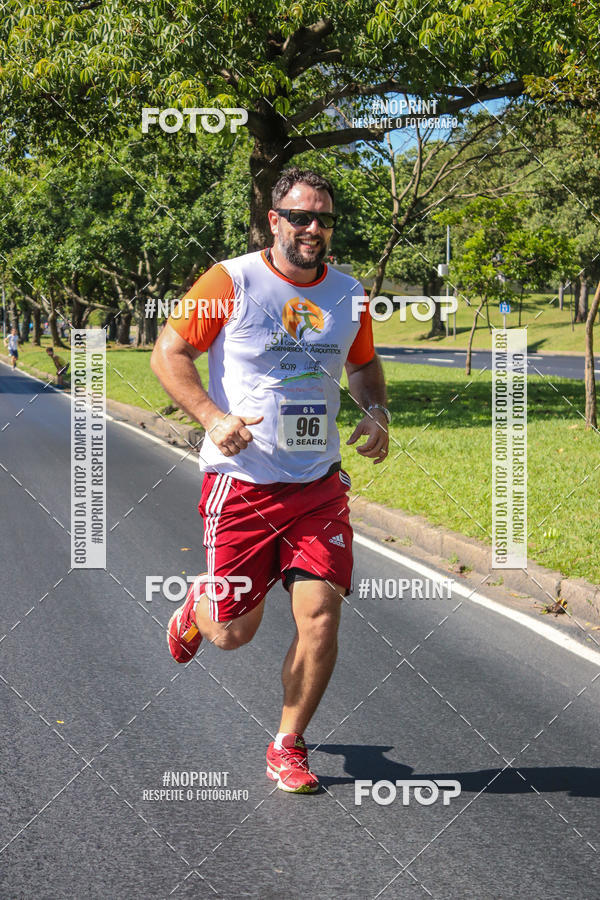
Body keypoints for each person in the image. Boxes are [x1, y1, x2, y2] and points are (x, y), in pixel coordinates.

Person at [151, 168, 390, 793]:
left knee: (320, 618)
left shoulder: (348, 293)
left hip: (317, 484)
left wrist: (375, 409)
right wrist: (211, 417)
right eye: (303, 217)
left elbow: (364, 367)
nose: (315, 229)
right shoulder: (230, 280)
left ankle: (288, 744)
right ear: (275, 220)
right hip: (243, 480)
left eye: (325, 219)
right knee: (232, 632)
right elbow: (168, 354)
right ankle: (198, 609)